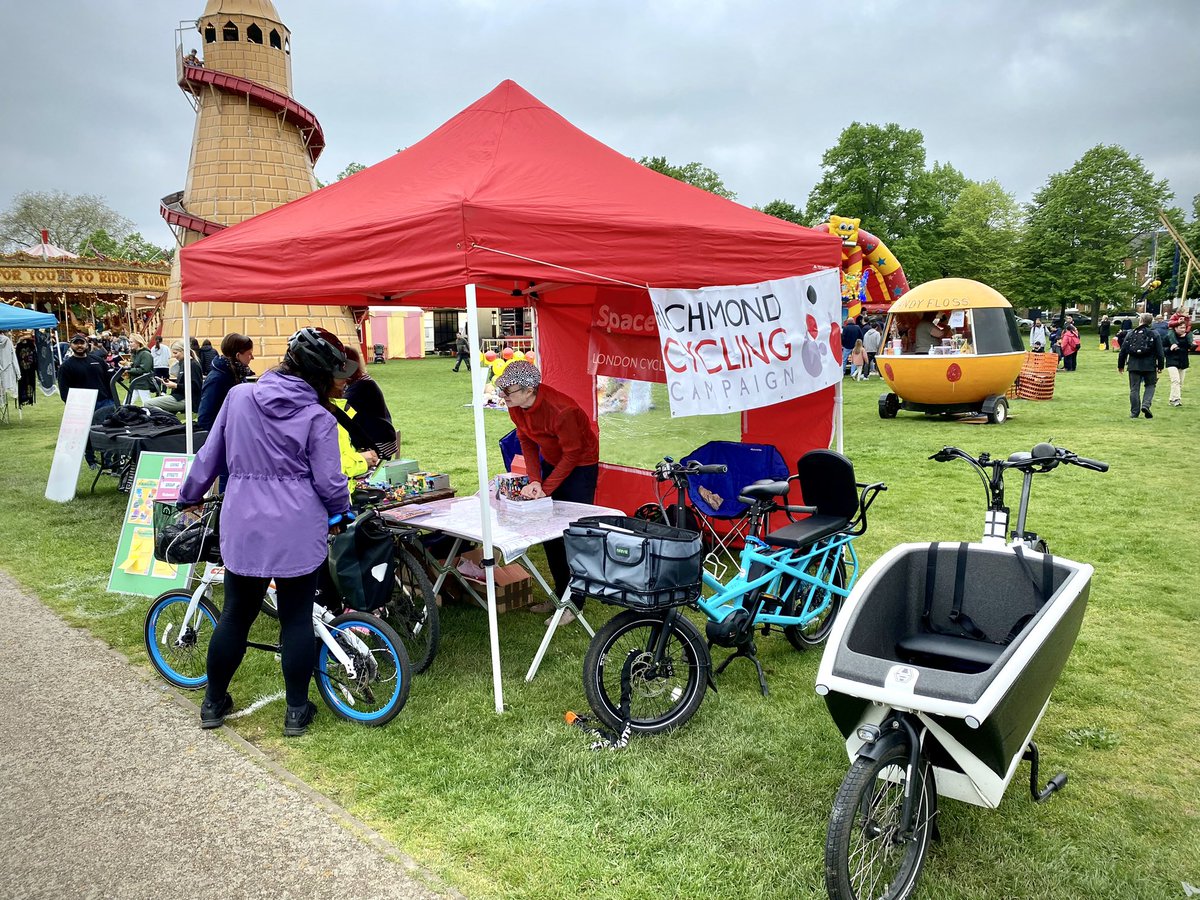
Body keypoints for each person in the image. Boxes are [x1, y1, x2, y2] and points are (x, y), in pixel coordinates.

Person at [177, 327, 356, 737]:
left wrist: (190, 494)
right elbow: (330, 482)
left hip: (243, 522)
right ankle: (296, 711)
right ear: (318, 374)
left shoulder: (238, 396)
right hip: (296, 526)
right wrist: (341, 511)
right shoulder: (317, 416)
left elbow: (210, 454)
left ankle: (212, 703)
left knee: (235, 615)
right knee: (295, 618)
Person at [496, 361, 599, 627]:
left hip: (580, 465)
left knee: (573, 534)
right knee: (549, 533)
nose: (503, 395)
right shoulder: (516, 407)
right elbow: (526, 441)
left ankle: (575, 603)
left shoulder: (562, 410)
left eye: (508, 391)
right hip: (554, 461)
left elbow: (574, 453)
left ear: (529, 389)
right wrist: (535, 480)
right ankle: (559, 594)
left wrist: (546, 488)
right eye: (502, 390)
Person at [58, 334, 116, 469]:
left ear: (87, 344)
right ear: (71, 345)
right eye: (75, 343)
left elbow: (109, 381)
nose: (79, 346)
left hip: (105, 401)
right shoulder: (66, 366)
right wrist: (73, 406)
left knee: (110, 431)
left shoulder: (98, 360)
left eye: (82, 343)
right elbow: (64, 391)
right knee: (86, 433)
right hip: (83, 405)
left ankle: (109, 460)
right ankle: (91, 459)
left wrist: (112, 398)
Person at [341, 346, 397, 458]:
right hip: (379, 436)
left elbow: (342, 407)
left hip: (378, 441)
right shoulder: (359, 382)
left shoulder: (362, 384)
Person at [197, 333, 254, 431]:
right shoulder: (217, 379)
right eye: (249, 354)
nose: (252, 357)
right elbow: (205, 418)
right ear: (238, 355)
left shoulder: (238, 374)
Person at [1117, 312, 1165, 419]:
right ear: (1151, 322)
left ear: (1140, 321)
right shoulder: (1154, 334)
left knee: (1134, 388)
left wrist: (1120, 365)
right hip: (1150, 365)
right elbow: (1160, 352)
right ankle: (1146, 405)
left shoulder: (1131, 333)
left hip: (1134, 365)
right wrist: (1160, 366)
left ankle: (1134, 412)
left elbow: (1123, 351)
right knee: (1150, 385)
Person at [145, 340, 202, 417]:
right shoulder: (184, 363)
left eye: (175, 353)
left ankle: (169, 418)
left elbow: (196, 387)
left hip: (187, 399)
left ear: (183, 351)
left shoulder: (192, 365)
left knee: (148, 403)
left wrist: (175, 385)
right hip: (180, 397)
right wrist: (170, 382)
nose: (174, 356)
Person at [1163, 314, 1194, 407]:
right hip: (1171, 361)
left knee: (1180, 382)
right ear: (1175, 328)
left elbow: (1190, 348)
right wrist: (1169, 349)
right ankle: (1177, 399)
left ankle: (1172, 399)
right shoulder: (1169, 337)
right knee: (1175, 380)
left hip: (1183, 361)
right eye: (1180, 328)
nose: (1183, 329)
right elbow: (1162, 349)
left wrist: (1192, 345)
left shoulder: (1187, 337)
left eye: (1184, 328)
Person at [125, 334, 157, 405]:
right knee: (127, 403)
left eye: (131, 342)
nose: (130, 344)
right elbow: (136, 366)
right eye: (129, 342)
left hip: (143, 383)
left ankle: (154, 414)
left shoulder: (145, 354)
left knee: (147, 404)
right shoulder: (134, 354)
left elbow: (144, 369)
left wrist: (129, 371)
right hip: (135, 382)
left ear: (138, 342)